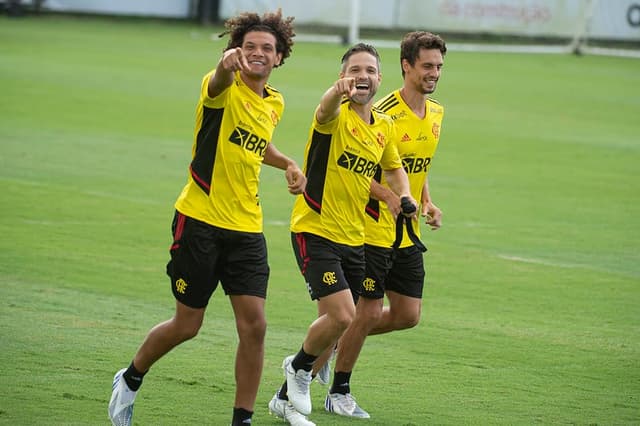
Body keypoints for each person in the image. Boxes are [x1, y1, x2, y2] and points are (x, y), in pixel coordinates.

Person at [108, 9, 304, 426]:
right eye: (248, 46)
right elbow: (217, 83)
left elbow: (256, 143)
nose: (257, 53)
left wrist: (286, 161)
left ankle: (242, 419)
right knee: (187, 324)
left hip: (247, 228)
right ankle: (129, 378)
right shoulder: (220, 85)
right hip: (199, 221)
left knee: (255, 327)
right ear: (235, 50)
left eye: (267, 48)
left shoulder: (275, 102)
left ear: (279, 57)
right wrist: (222, 66)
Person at [267, 43, 416, 426]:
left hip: (354, 236)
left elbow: (394, 167)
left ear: (380, 78)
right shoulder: (334, 116)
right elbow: (324, 107)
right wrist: (337, 92)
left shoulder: (383, 127)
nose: (361, 76)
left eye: (369, 70)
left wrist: (404, 195)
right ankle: (297, 368)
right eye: (354, 70)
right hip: (315, 228)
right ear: (342, 76)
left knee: (336, 325)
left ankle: (285, 399)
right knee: (343, 314)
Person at [324, 30, 447, 419]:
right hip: (372, 227)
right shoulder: (385, 112)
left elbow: (415, 168)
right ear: (406, 66)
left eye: (439, 67)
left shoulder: (437, 113)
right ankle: (336, 386)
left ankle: (325, 344)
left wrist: (425, 201)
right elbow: (360, 171)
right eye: (427, 66)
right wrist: (390, 196)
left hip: (408, 231)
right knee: (368, 312)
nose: (434, 73)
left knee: (408, 315)